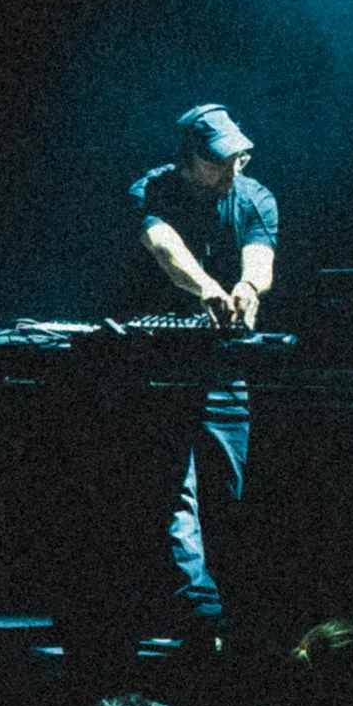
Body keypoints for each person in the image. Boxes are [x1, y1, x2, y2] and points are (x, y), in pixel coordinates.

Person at [125, 102, 277, 650]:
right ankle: (199, 612)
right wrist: (208, 287)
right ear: (189, 160)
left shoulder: (254, 197)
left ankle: (229, 613)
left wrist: (248, 289)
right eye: (219, 160)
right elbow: (164, 246)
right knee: (173, 494)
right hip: (159, 371)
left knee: (226, 491)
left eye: (237, 156)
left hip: (223, 369)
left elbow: (260, 254)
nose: (231, 169)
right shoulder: (151, 191)